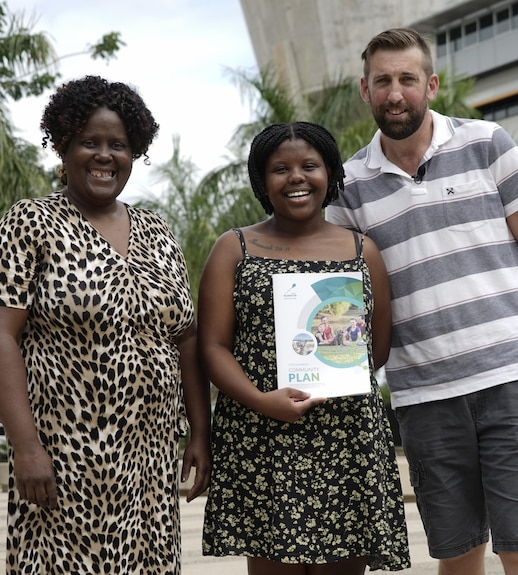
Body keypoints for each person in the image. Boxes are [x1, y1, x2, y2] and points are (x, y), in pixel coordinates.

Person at [325, 28, 518, 575]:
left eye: (407, 80)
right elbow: (344, 298)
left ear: (431, 85)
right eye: (383, 81)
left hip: (516, 380)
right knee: (457, 552)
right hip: (425, 396)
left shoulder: (487, 142)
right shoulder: (346, 187)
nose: (396, 93)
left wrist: (498, 325)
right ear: (364, 91)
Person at [0, 75, 211, 575]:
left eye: (118, 145)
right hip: (65, 455)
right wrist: (25, 446)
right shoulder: (29, 223)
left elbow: (186, 337)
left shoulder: (157, 229)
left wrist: (199, 430)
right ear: (63, 146)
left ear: (135, 153)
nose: (105, 155)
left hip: (149, 455)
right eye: (90, 142)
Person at [199, 121, 410, 574]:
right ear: (262, 181)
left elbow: (379, 346)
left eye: (309, 166)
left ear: (330, 174)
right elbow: (213, 346)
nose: (296, 177)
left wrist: (332, 376)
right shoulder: (234, 248)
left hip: (346, 436)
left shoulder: (362, 250)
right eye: (280, 169)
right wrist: (261, 400)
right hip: (263, 435)